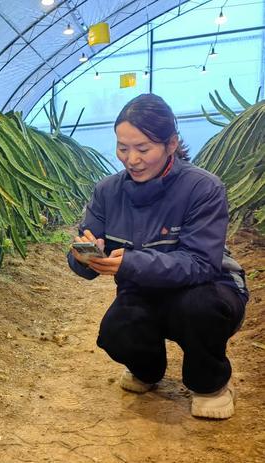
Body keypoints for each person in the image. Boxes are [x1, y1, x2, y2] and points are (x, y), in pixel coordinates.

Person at [67, 93, 249, 420]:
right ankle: (148, 371)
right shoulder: (107, 191)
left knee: (198, 310)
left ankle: (210, 384)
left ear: (171, 144)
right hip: (143, 289)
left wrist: (129, 262)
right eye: (123, 148)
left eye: (143, 149)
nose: (131, 159)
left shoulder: (202, 188)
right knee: (115, 331)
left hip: (209, 287)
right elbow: (87, 246)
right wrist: (83, 254)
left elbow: (200, 264)